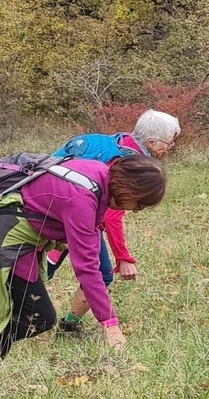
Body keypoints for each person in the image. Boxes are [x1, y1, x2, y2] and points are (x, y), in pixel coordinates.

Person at [0, 156, 167, 366]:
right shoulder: (81, 199)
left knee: (31, 312)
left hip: (24, 236)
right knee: (39, 317)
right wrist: (110, 324)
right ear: (129, 189)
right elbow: (88, 269)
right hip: (9, 238)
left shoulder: (100, 172)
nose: (136, 211)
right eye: (139, 204)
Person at [49, 109, 181, 332]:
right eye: (168, 143)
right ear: (151, 141)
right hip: (72, 216)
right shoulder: (129, 164)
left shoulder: (115, 141)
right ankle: (66, 326)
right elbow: (112, 216)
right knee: (101, 273)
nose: (169, 148)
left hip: (52, 207)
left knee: (43, 267)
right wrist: (124, 257)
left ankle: (29, 314)